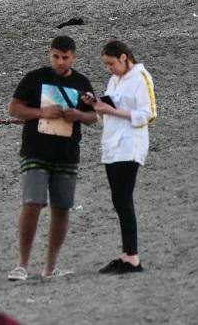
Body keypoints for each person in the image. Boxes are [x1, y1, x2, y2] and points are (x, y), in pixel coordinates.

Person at [7, 35, 96, 282]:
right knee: (32, 203)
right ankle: (22, 264)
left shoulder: (81, 83)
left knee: (61, 208)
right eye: (56, 56)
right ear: (50, 54)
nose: (59, 62)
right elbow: (14, 108)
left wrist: (78, 114)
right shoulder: (35, 78)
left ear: (73, 57)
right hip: (35, 151)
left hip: (67, 155)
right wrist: (41, 112)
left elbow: (93, 117)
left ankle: (50, 266)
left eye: (65, 58)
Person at [85, 40, 156, 275]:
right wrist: (96, 103)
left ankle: (132, 258)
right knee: (118, 200)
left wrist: (110, 110)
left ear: (124, 57)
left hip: (130, 145)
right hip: (112, 144)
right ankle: (127, 254)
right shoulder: (115, 79)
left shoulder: (140, 77)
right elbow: (112, 105)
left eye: (111, 63)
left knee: (123, 199)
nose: (109, 69)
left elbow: (149, 114)